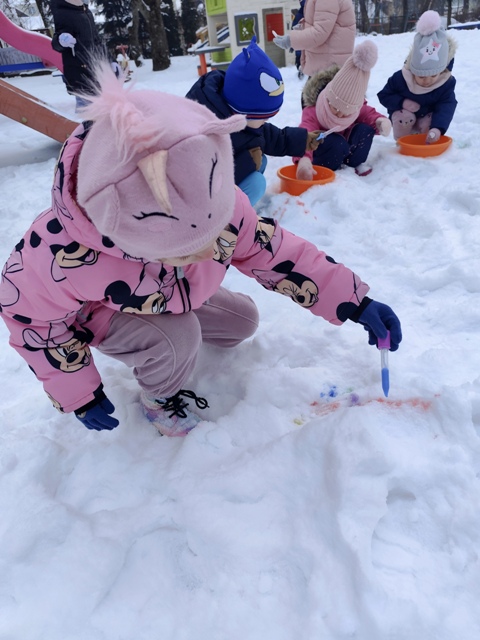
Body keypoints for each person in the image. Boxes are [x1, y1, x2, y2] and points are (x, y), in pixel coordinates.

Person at [0, 60, 402, 438]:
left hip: (168, 289)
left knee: (243, 321)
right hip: (100, 309)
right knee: (177, 339)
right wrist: (78, 393)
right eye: (185, 251)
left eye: (212, 238)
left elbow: (274, 250)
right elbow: (30, 319)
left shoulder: (213, 199)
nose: (210, 251)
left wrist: (355, 301)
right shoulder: (59, 250)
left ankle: (175, 337)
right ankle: (159, 401)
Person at [186, 37, 321, 207]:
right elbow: (204, 181)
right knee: (257, 183)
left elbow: (269, 136)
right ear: (244, 113)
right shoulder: (206, 130)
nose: (267, 120)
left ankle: (239, 204)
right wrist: (247, 162)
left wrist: (302, 140)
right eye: (263, 117)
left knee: (260, 160)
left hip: (227, 176)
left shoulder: (236, 112)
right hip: (199, 203)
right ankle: (230, 218)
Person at [294, 40, 391, 179]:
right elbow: (305, 133)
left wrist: (380, 122)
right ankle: (327, 168)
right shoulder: (314, 110)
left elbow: (369, 114)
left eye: (345, 112)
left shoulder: (357, 108)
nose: (339, 114)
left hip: (347, 150)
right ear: (328, 97)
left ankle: (354, 163)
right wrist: (304, 160)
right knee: (336, 143)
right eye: (335, 107)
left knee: (365, 130)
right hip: (325, 152)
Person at [377, 10, 457, 143]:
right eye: (421, 76)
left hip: (426, 118)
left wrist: (437, 128)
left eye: (433, 75)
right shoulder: (401, 78)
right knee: (404, 117)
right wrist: (402, 102)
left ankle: (426, 141)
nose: (427, 81)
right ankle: (403, 142)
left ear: (441, 71)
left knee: (429, 122)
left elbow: (446, 107)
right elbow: (384, 95)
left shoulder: (445, 83)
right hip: (404, 117)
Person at [272, 0, 355, 78]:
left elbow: (319, 32)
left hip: (328, 69)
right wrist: (302, 28)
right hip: (325, 66)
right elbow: (322, 26)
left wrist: (290, 40)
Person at [50, 0, 107, 110]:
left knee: (101, 109)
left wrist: (110, 61)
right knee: (87, 110)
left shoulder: (86, 12)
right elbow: (56, 42)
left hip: (95, 70)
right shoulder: (63, 11)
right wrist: (61, 40)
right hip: (79, 72)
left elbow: (97, 41)